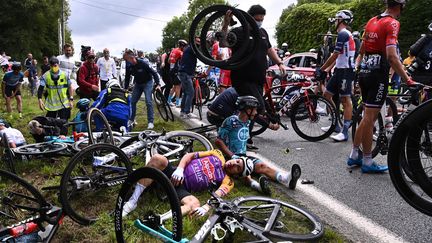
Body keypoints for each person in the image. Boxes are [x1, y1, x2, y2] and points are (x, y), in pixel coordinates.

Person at [347, 0, 415, 173]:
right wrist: (407, 79)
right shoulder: (392, 23)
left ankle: (355, 154)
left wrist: (358, 66)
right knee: (370, 118)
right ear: (400, 6)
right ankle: (368, 161)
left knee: (365, 116)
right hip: (378, 75)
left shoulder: (372, 20)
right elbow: (392, 57)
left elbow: (362, 49)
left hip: (364, 73)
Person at [221, 5, 286, 149]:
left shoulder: (262, 32)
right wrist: (226, 23)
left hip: (258, 79)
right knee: (256, 107)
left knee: (249, 109)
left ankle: (245, 138)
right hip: (242, 78)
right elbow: (223, 42)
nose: (259, 22)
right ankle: (239, 136)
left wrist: (280, 63)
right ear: (249, 17)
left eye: (262, 19)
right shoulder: (238, 31)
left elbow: (269, 49)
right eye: (257, 19)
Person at [122, 149, 247, 217]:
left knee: (195, 204)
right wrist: (180, 169)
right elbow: (190, 156)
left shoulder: (228, 181)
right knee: (157, 159)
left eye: (238, 167)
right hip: (175, 174)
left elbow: (218, 195)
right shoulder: (217, 154)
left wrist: (206, 207)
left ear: (237, 174)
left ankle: (160, 219)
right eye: (237, 161)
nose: (234, 164)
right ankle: (132, 202)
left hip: (182, 188)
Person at [215, 96, 301, 194]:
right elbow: (218, 141)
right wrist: (232, 155)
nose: (256, 112)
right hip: (231, 158)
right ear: (248, 110)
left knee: (262, 166)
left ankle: (286, 179)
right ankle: (259, 187)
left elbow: (259, 120)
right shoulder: (231, 121)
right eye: (255, 110)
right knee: (245, 173)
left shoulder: (248, 121)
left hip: (243, 156)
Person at [317, 10, 356, 142]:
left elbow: (334, 54)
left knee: (345, 100)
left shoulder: (344, 34)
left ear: (341, 20)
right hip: (339, 70)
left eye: (336, 18)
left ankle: (344, 132)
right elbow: (337, 57)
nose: (334, 20)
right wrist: (326, 70)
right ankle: (336, 126)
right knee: (327, 95)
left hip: (346, 71)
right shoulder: (342, 34)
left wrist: (322, 69)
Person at [123, 49, 160, 129]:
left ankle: (150, 122)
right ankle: (132, 119)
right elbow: (127, 77)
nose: (126, 62)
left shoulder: (143, 63)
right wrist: (125, 88)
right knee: (132, 101)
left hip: (148, 82)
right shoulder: (129, 66)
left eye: (127, 59)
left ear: (132, 58)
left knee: (148, 101)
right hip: (138, 84)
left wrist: (158, 84)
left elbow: (154, 73)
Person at [177, 37, 199, 118]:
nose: (199, 43)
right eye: (197, 42)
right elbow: (201, 56)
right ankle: (186, 112)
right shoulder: (192, 49)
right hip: (185, 74)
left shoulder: (189, 49)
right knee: (191, 92)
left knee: (186, 93)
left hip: (184, 73)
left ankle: (183, 112)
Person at [168, 40, 187, 107]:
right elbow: (185, 61)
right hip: (176, 71)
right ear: (182, 46)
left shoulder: (173, 50)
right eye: (184, 46)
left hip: (171, 70)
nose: (185, 48)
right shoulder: (180, 52)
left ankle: (169, 100)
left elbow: (168, 61)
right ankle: (177, 102)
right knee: (178, 87)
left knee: (174, 87)